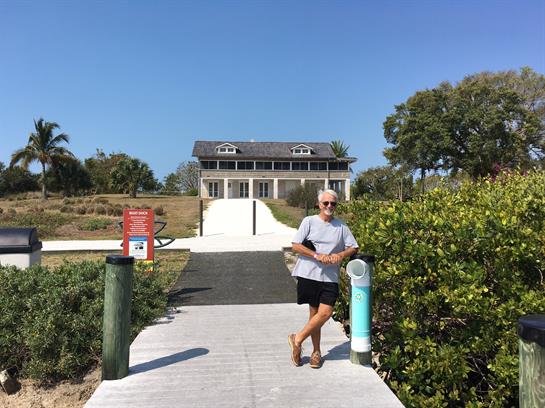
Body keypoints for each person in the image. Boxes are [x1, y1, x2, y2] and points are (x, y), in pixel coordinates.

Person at [288, 189, 358, 368]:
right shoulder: (309, 221)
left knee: (325, 313)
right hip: (309, 274)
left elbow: (354, 247)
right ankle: (316, 353)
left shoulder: (342, 226)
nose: (329, 206)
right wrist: (317, 255)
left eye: (333, 203)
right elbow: (296, 245)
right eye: (326, 203)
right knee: (314, 314)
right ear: (319, 204)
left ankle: (297, 338)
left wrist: (340, 255)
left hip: (330, 276)